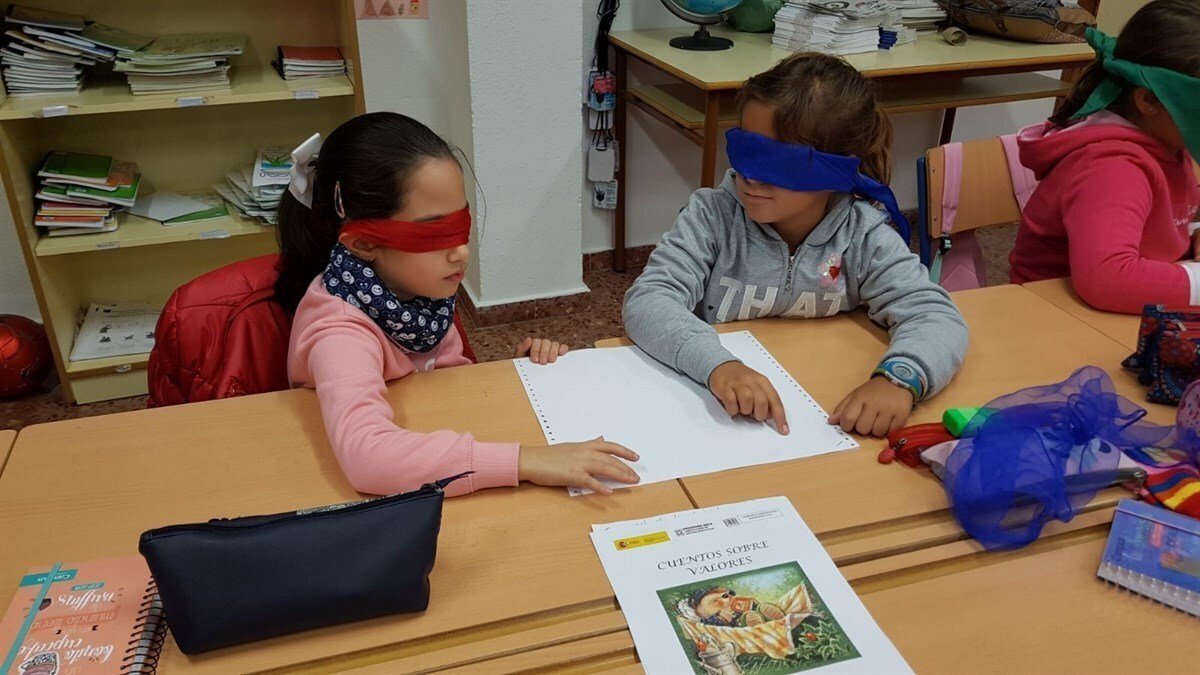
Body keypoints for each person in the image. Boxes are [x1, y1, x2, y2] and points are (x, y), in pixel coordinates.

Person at [278, 113, 640, 496]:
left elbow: (444, 382)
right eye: (434, 232)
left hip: (437, 440)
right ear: (365, 243)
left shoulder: (416, 290)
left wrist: (510, 373)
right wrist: (527, 461)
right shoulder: (339, 332)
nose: (462, 252)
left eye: (460, 225)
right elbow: (369, 460)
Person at [623, 53, 967, 438]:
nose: (750, 177)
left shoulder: (864, 236)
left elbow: (934, 315)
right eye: (747, 151)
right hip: (717, 416)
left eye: (778, 164)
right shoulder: (712, 216)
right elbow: (649, 300)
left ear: (836, 169)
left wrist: (899, 379)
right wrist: (717, 364)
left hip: (822, 412)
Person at [1009, 0, 1200, 313]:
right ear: (1148, 101)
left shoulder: (1170, 143)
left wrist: (1194, 234)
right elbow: (1108, 278)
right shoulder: (1113, 168)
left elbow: (1171, 218)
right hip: (1052, 318)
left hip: (1114, 314)